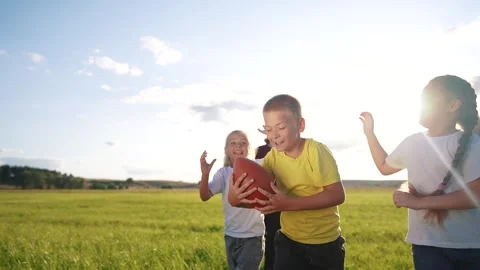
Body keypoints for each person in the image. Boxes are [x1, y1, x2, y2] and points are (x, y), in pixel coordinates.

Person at [359, 74, 480, 270]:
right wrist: (369, 133)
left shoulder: (474, 145)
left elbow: (475, 195)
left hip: (469, 247)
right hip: (426, 245)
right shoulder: (412, 142)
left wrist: (418, 202)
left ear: (453, 105)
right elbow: (384, 166)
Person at [228, 94, 346, 270]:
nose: (274, 136)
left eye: (280, 127)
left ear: (300, 125)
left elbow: (337, 195)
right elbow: (255, 196)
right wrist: (235, 196)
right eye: (268, 129)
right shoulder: (272, 158)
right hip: (288, 240)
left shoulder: (316, 152)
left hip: (324, 244)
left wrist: (288, 203)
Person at [199, 130, 265, 270]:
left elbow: (279, 155)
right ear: (226, 150)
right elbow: (204, 196)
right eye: (233, 143)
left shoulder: (259, 166)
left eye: (243, 143)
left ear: (249, 148)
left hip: (253, 237)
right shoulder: (223, 174)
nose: (238, 147)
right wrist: (205, 174)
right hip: (230, 235)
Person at [254, 138, 281, 270]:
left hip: (289, 201)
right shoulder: (261, 151)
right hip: (269, 203)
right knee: (271, 241)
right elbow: (258, 175)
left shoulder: (288, 148)